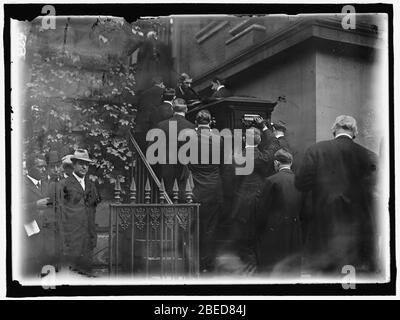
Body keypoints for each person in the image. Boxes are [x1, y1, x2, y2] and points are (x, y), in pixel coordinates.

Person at [295, 115, 378, 275]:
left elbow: (301, 184)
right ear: (355, 132)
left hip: (323, 226)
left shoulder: (316, 150)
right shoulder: (369, 156)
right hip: (357, 229)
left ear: (334, 130)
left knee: (325, 276)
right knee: (353, 277)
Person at [255, 149, 303, 276]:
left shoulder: (271, 181)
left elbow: (262, 210)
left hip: (273, 232)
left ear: (276, 163)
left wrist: (257, 231)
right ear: (290, 163)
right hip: (295, 231)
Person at [188, 109, 223, 272]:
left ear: (196, 122)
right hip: (214, 186)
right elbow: (223, 162)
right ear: (210, 122)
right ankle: (208, 263)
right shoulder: (219, 138)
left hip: (196, 186)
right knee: (211, 227)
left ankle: (195, 263)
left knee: (194, 226)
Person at [61, 149, 101, 274]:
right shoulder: (64, 185)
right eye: (81, 163)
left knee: (87, 275)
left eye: (87, 164)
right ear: (73, 164)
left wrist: (93, 236)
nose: (84, 166)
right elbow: (60, 214)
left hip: (88, 240)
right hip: (72, 241)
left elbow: (92, 211)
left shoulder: (91, 186)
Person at [155, 98, 196, 200]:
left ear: (172, 110)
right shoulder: (192, 127)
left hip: (166, 167)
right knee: (183, 199)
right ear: (186, 109)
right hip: (185, 169)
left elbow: (153, 149)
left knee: (166, 199)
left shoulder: (161, 125)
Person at [21, 154, 50, 276]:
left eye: (45, 166)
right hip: (28, 236)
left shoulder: (46, 184)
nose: (44, 169)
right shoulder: (20, 184)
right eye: (40, 167)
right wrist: (34, 205)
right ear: (29, 168)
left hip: (45, 235)